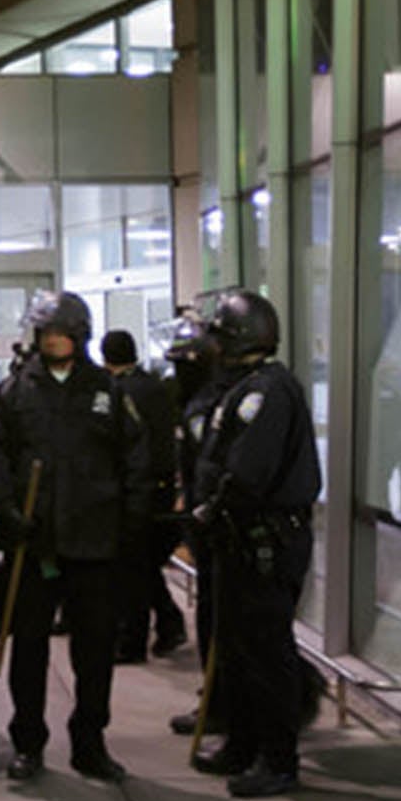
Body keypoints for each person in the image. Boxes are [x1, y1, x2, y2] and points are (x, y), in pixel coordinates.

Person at [0, 291, 151, 785]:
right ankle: (27, 744)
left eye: (64, 333)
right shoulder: (15, 392)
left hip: (94, 544)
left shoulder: (107, 391)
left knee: (95, 652)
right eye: (47, 333)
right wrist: (8, 513)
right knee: (28, 648)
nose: (54, 340)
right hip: (35, 544)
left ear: (80, 336)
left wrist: (130, 527)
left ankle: (90, 743)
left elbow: (136, 461)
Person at [192, 290, 321, 798]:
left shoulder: (267, 392)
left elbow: (248, 471)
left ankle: (278, 758)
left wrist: (215, 506)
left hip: (265, 539)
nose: (212, 346)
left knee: (268, 654)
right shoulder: (242, 388)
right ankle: (241, 744)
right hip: (238, 539)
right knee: (237, 648)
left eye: (218, 336)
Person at [102, 329, 189, 664]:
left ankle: (135, 638)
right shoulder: (155, 386)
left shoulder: (118, 392)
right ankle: (168, 622)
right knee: (147, 563)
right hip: (163, 487)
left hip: (137, 488)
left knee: (132, 568)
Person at [167, 307, 232, 741]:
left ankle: (225, 706)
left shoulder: (223, 400)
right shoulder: (193, 402)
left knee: (228, 626)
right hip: (204, 525)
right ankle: (216, 699)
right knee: (211, 622)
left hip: (226, 529)